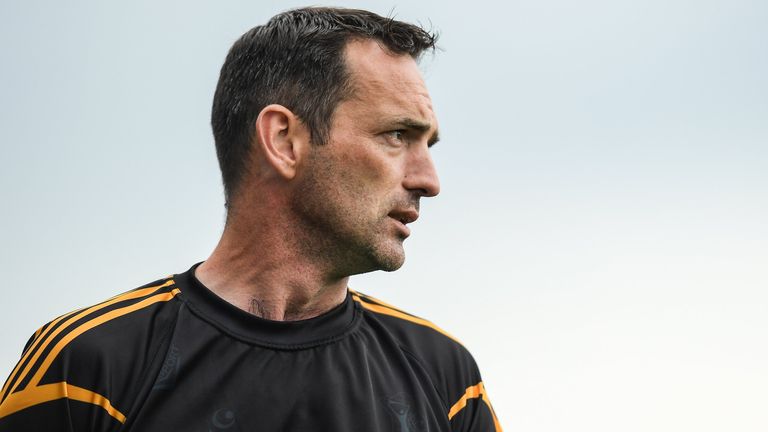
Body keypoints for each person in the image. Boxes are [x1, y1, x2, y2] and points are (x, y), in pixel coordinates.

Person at [0, 7, 502, 431]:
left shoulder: (446, 379)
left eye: (427, 145)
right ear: (283, 140)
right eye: (397, 135)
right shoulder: (91, 368)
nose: (428, 180)